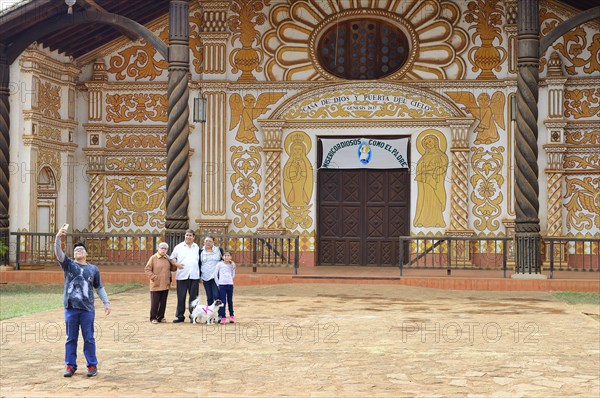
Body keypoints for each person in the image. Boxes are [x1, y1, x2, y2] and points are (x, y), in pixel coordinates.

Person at [54, 223, 110, 378]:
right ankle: (70, 366)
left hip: (87, 309)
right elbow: (58, 253)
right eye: (76, 250)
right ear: (74, 254)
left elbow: (99, 287)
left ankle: (92, 365)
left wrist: (106, 303)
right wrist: (58, 237)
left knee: (89, 338)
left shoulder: (93, 269)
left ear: (86, 253)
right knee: (71, 338)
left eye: (81, 249)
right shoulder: (69, 265)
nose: (78, 251)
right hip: (71, 308)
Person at [414, 134, 449, 228]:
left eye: (429, 141)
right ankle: (422, 220)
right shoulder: (423, 157)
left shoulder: (441, 156)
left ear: (435, 142)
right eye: (426, 143)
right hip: (425, 182)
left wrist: (435, 171)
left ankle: (438, 221)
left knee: (435, 201)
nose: (428, 144)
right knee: (424, 200)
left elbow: (443, 168)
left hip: (435, 182)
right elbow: (419, 168)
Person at [144, 242, 183, 324]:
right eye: (162, 248)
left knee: (163, 302)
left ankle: (161, 317)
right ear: (158, 248)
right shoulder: (153, 258)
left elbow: (172, 269)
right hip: (156, 284)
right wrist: (154, 277)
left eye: (165, 249)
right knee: (155, 302)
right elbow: (147, 269)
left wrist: (174, 263)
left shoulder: (167, 258)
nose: (163, 250)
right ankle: (153, 318)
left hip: (165, 283)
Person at [170, 229, 200, 323]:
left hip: (194, 275)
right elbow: (172, 258)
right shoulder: (179, 247)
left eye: (190, 235)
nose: (188, 237)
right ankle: (180, 316)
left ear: (193, 237)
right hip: (182, 275)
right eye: (187, 235)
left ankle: (193, 316)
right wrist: (177, 264)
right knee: (181, 297)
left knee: (194, 298)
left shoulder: (197, 247)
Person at [199, 236, 224, 316]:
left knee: (216, 295)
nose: (208, 243)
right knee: (209, 296)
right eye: (206, 241)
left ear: (213, 242)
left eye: (210, 241)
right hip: (205, 276)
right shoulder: (200, 251)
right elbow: (199, 263)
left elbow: (224, 260)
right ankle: (210, 316)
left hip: (215, 276)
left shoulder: (219, 250)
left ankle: (221, 315)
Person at [215, 251, 236, 324]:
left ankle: (232, 316)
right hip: (222, 285)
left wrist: (230, 279)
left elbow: (233, 274)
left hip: (230, 284)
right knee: (223, 301)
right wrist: (218, 283)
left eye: (228, 255)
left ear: (231, 257)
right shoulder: (219, 264)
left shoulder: (232, 265)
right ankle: (223, 317)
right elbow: (215, 274)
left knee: (230, 300)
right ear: (223, 257)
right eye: (225, 255)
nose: (227, 257)